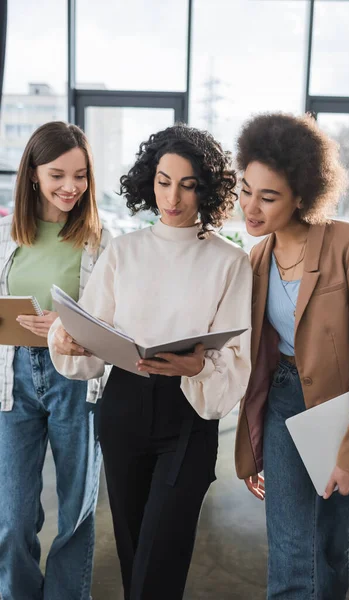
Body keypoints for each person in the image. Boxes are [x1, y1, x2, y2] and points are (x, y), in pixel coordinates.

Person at [49, 124, 252, 600]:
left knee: (164, 550)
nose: (173, 197)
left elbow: (235, 358)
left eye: (187, 184)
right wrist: (71, 343)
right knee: (133, 547)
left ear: (206, 187)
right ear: (149, 180)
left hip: (188, 415)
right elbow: (90, 333)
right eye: (164, 181)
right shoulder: (124, 251)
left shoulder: (230, 261)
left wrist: (197, 368)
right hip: (123, 407)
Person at [234, 113, 349, 600]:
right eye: (244, 190)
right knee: (289, 550)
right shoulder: (256, 260)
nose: (250, 207)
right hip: (283, 404)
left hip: (341, 409)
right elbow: (256, 363)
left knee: (329, 549)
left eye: (268, 196)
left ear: (302, 195)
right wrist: (252, 447)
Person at [0, 121, 112, 600]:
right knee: (13, 514)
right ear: (32, 175)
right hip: (14, 379)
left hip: (76, 381)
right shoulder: (8, 238)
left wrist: (68, 330)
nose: (72, 187)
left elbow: (113, 325)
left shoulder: (101, 242)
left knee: (76, 510)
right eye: (58, 175)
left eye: (81, 175)